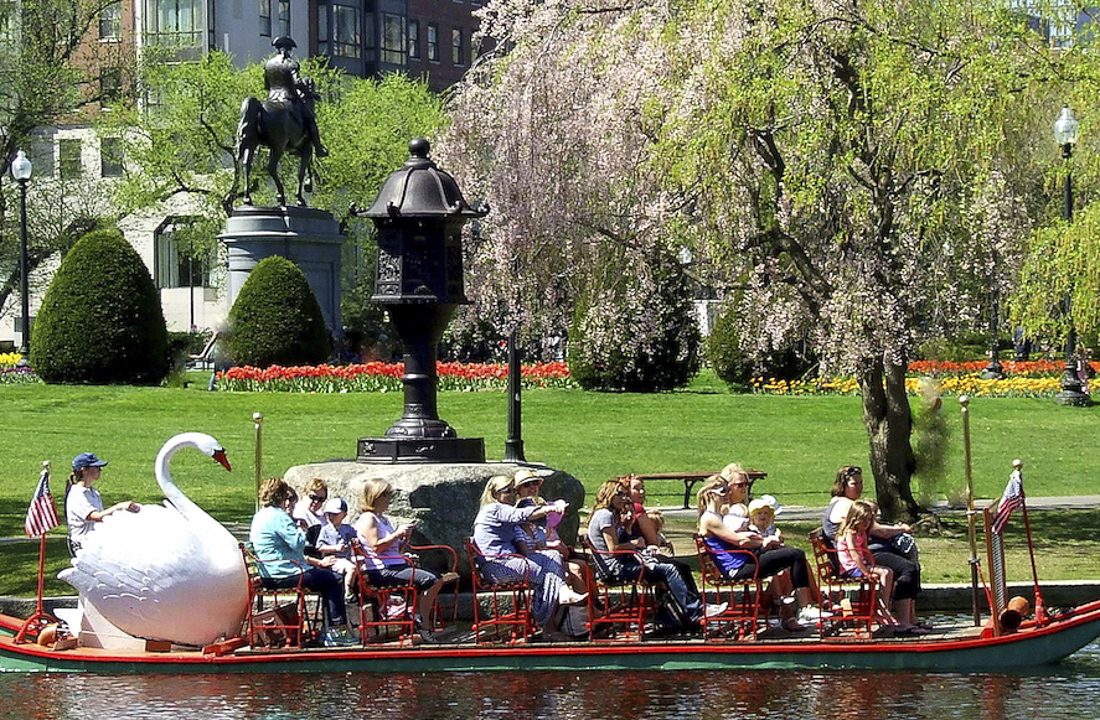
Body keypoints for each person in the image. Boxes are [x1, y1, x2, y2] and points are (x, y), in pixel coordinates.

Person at [588, 480, 721, 635]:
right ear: (608, 494)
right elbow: (613, 549)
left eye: (624, 494)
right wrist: (634, 544)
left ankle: (678, 616)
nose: (623, 498)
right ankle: (694, 610)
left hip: (623, 563)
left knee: (675, 568)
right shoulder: (605, 515)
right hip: (616, 569)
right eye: (619, 494)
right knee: (668, 569)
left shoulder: (607, 515)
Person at [697, 472, 819, 630]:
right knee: (796, 555)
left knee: (789, 553)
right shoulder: (710, 518)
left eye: (728, 490)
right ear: (710, 494)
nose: (727, 494)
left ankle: (790, 609)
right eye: (723, 491)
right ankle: (803, 607)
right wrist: (764, 541)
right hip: (738, 568)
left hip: (745, 560)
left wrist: (762, 541)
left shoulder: (718, 515)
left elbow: (739, 537)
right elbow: (740, 541)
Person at [473, 475, 587, 641]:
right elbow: (520, 515)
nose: (513, 494)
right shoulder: (494, 508)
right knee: (549, 576)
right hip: (498, 565)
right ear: (494, 493)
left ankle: (555, 607)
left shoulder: (501, 510)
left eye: (514, 491)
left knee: (553, 556)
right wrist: (550, 509)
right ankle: (549, 627)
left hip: (509, 561)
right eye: (507, 491)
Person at [249, 477, 355, 647]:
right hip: (285, 573)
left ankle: (330, 629)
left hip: (268, 573)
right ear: (281, 496)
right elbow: (298, 544)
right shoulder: (279, 516)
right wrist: (301, 529)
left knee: (325, 577)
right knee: (333, 579)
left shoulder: (259, 516)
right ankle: (336, 631)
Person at [354, 478, 458, 643]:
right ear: (375, 496)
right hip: (381, 570)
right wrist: (397, 534)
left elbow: (395, 551)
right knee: (431, 580)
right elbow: (376, 547)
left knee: (436, 577)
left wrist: (405, 539)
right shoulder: (369, 518)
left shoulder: (383, 519)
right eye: (386, 496)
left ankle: (416, 613)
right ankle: (421, 621)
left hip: (396, 565)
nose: (389, 500)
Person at [824, 465, 925, 631]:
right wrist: (901, 529)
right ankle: (903, 620)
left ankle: (908, 617)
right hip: (863, 557)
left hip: (867, 554)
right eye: (854, 484)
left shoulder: (844, 503)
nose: (859, 487)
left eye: (861, 483)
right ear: (843, 485)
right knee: (908, 567)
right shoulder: (847, 506)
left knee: (908, 562)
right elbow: (877, 531)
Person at [513, 469, 588, 596]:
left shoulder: (543, 505)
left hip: (551, 555)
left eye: (535, 483)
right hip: (535, 561)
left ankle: (595, 603)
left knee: (584, 566)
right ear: (518, 490)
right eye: (526, 485)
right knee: (576, 569)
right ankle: (581, 606)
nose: (532, 487)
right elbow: (528, 545)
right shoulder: (519, 513)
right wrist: (552, 546)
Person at [835, 500, 898, 628]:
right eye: (863, 520)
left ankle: (882, 606)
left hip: (860, 565)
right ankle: (882, 609)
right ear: (855, 519)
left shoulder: (862, 532)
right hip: (850, 568)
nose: (866, 523)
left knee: (888, 572)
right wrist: (866, 572)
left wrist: (872, 564)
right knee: (885, 573)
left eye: (869, 520)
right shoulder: (850, 533)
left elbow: (865, 551)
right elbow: (854, 554)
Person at [65, 452, 140, 556]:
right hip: (83, 546)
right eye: (96, 467)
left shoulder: (93, 492)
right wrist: (119, 507)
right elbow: (96, 517)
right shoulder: (77, 494)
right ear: (84, 470)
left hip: (95, 543)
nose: (100, 470)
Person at [264, 36, 328, 157]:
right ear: (288, 49)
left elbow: (267, 86)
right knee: (310, 119)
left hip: (271, 98)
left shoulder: (268, 64)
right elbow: (297, 82)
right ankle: (319, 149)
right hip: (288, 98)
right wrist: (310, 94)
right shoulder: (291, 63)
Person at [317, 497, 359, 604]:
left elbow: (356, 539)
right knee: (352, 568)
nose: (331, 517)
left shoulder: (348, 528)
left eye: (335, 514)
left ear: (344, 515)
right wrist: (335, 548)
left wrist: (355, 542)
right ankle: (348, 592)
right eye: (329, 514)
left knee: (362, 568)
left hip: (347, 558)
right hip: (334, 559)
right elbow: (320, 547)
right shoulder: (326, 530)